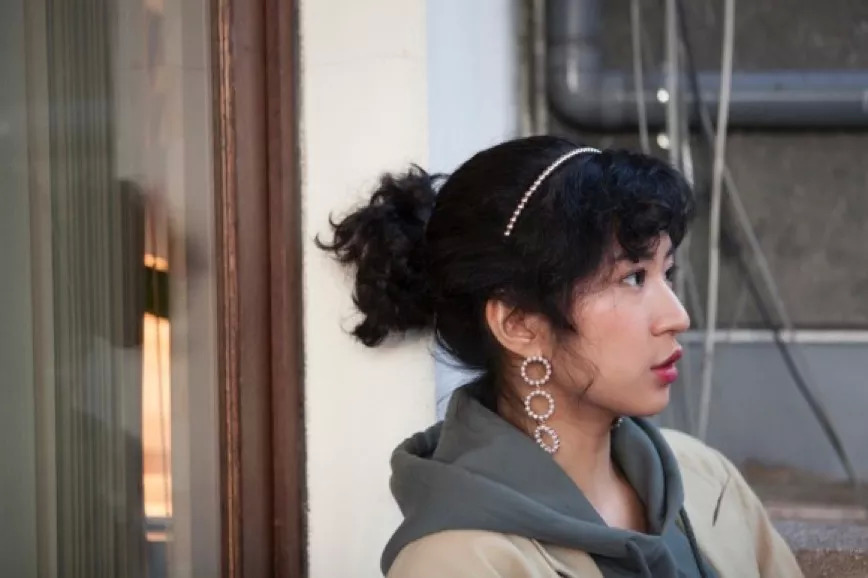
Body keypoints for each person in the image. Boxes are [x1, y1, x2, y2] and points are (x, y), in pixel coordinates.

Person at [317, 136, 803, 578]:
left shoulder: (705, 478)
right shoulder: (457, 563)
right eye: (633, 278)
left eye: (666, 273)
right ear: (519, 324)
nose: (677, 316)